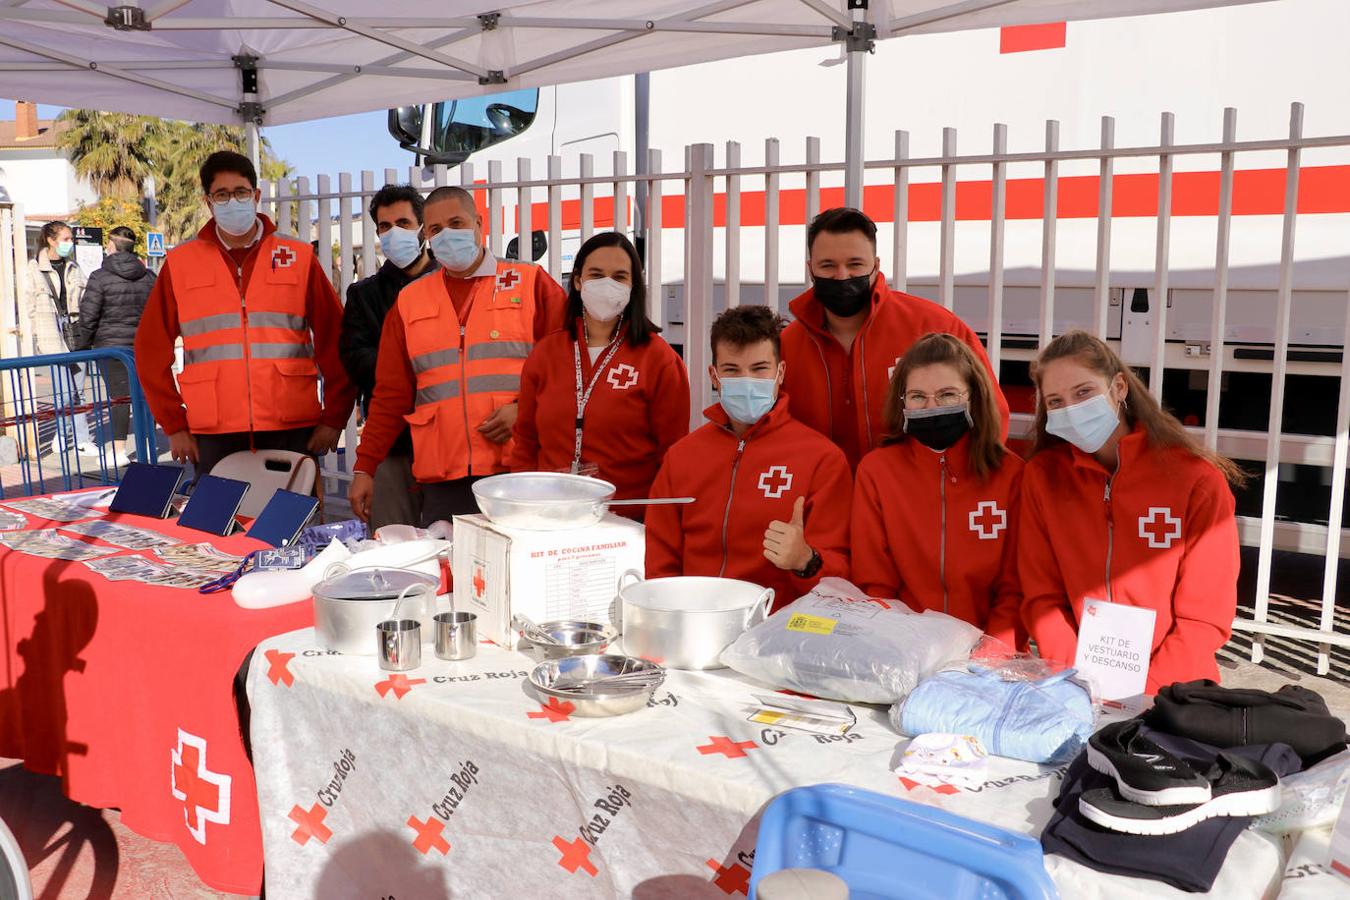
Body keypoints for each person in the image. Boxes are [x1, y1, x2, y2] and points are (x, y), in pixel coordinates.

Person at [1018, 330, 1245, 692]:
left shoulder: (1196, 480)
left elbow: (1205, 616)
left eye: (1084, 392)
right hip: (1077, 685)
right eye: (1056, 402)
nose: (1072, 410)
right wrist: (1075, 680)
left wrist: (1149, 692)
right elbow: (1042, 597)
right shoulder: (1042, 477)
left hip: (1174, 691)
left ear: (1119, 387)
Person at [349, 185, 567, 525]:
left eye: (457, 223)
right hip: (443, 479)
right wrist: (365, 466)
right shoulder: (410, 301)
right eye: (436, 229)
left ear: (479, 224)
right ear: (427, 236)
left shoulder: (530, 283)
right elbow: (390, 395)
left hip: (518, 471)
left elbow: (569, 370)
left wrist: (524, 410)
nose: (447, 235)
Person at [134, 150, 355, 476]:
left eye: (240, 192)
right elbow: (150, 349)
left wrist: (334, 418)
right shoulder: (181, 264)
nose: (232, 201)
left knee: (290, 524)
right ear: (209, 203)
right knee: (218, 525)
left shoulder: (296, 256)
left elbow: (336, 340)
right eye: (222, 195)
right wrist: (174, 424)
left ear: (256, 196)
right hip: (214, 432)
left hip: (291, 426)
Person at [646, 305, 851, 609]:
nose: (747, 380)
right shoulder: (682, 457)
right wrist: (666, 613)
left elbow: (841, 576)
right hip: (693, 625)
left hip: (778, 636)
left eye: (759, 369)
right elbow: (660, 555)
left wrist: (805, 560)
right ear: (714, 376)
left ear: (780, 372)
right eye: (732, 370)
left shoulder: (822, 460)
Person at [781, 208, 1010, 467]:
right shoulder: (787, 347)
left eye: (855, 264)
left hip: (915, 498)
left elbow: (991, 412)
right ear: (811, 269)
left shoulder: (934, 326)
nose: (842, 276)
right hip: (824, 500)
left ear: (876, 266)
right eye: (828, 265)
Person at [851, 333, 1024, 647]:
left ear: (973, 396)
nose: (932, 407)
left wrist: (991, 657)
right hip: (901, 647)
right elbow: (875, 583)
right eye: (918, 396)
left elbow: (1015, 588)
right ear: (901, 401)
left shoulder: (1011, 474)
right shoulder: (877, 471)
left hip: (990, 657)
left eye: (947, 395)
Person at [510, 232, 689, 512]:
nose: (607, 284)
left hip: (629, 519)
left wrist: (660, 518)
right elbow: (526, 442)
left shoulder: (658, 359)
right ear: (579, 281)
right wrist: (521, 504)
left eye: (619, 277)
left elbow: (672, 452)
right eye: (596, 275)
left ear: (633, 286)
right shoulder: (546, 354)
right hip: (549, 514)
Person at [339, 185, 439, 531]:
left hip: (448, 440)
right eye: (384, 226)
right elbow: (354, 358)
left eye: (403, 222)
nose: (393, 232)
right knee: (394, 543)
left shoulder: (448, 284)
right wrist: (409, 366)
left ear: (423, 228)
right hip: (392, 443)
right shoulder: (363, 295)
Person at [70, 225, 156, 464]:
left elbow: (88, 316)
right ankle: (148, 448)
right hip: (144, 346)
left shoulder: (100, 277)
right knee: (145, 396)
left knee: (119, 398)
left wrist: (82, 347)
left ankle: (118, 452)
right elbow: (159, 312)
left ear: (111, 246)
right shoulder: (149, 277)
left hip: (111, 348)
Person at [23, 220, 93, 454]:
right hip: (52, 337)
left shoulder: (73, 267)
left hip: (76, 334)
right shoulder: (33, 268)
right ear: (51, 241)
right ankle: (62, 435)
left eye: (70, 239)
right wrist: (37, 333)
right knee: (64, 393)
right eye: (65, 239)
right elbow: (29, 306)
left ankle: (83, 439)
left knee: (80, 391)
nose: (69, 243)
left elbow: (84, 298)